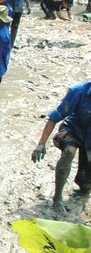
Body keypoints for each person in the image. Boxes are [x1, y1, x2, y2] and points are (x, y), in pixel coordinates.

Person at [31, 81, 91, 214]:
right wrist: (41, 144)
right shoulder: (78, 91)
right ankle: (57, 197)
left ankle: (84, 189)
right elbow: (54, 117)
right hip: (73, 129)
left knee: (85, 186)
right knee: (69, 152)